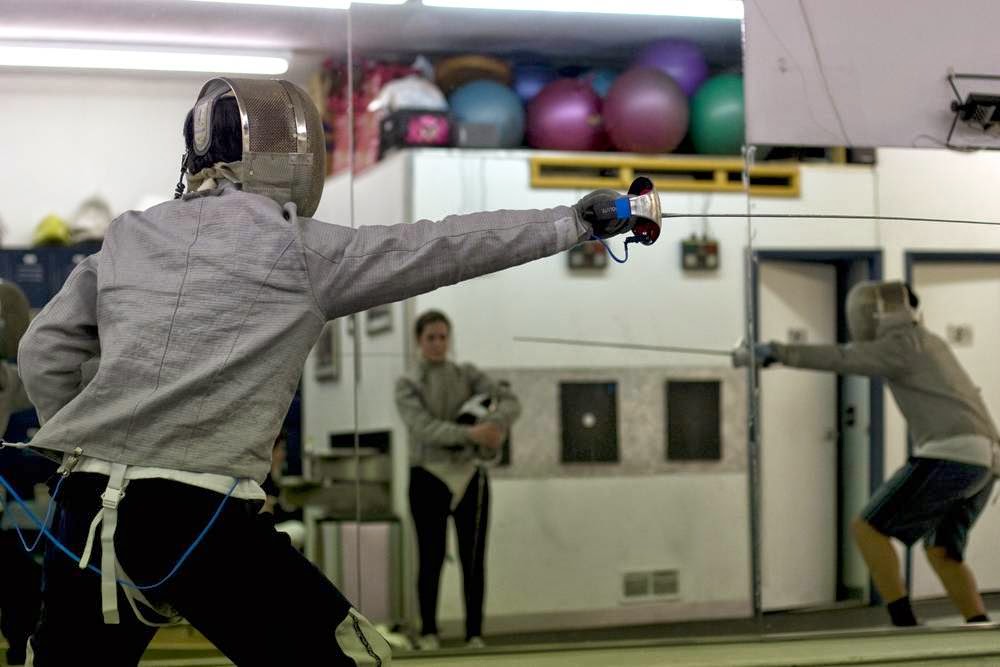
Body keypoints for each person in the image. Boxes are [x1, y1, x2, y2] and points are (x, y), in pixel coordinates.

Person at [10, 77, 638, 666]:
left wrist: (77, 441)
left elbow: (45, 349)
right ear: (281, 151)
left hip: (87, 513)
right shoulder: (300, 248)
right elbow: (443, 245)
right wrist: (572, 223)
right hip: (200, 514)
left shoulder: (128, 236)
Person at [736, 280, 998, 627]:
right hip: (986, 460)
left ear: (874, 312)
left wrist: (776, 351)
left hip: (953, 452)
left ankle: (903, 622)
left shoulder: (902, 344)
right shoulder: (926, 341)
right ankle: (978, 625)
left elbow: (843, 357)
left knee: (867, 528)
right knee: (942, 550)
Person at [394, 310, 519, 650]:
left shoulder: (468, 375)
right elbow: (425, 429)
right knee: (431, 557)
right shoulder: (408, 383)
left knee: (474, 558)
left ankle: (474, 634)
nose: (438, 343)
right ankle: (430, 632)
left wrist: (496, 426)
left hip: (470, 475)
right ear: (419, 341)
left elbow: (510, 401)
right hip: (428, 475)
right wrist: (473, 433)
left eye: (443, 337)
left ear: (449, 339)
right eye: (430, 337)